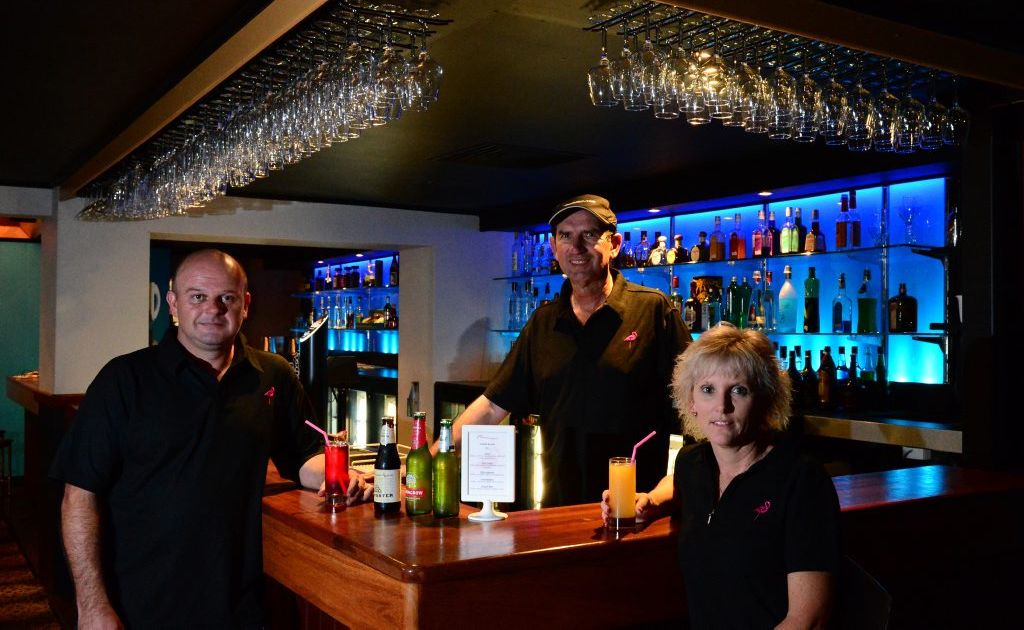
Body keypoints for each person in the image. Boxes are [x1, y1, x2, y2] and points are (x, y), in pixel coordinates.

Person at [51, 249, 372, 629]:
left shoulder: (273, 375)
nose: (213, 309)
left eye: (227, 298)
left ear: (245, 304)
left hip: (242, 604)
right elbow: (79, 497)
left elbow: (303, 455)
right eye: (198, 296)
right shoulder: (123, 380)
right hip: (142, 603)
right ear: (173, 304)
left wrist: (340, 477)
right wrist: (91, 605)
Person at [439, 194, 691, 506]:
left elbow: (695, 407)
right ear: (554, 248)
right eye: (565, 236)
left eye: (589, 234)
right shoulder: (545, 322)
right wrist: (424, 461)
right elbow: (493, 405)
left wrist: (670, 492)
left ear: (614, 244)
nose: (577, 247)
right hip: (558, 508)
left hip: (633, 508)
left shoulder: (653, 311)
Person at [602, 323, 840, 628]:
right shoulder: (693, 463)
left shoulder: (801, 481)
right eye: (707, 389)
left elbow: (809, 620)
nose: (721, 407)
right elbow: (677, 484)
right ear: (690, 401)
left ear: (765, 398)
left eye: (739, 391)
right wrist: (648, 502)